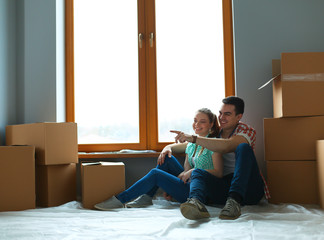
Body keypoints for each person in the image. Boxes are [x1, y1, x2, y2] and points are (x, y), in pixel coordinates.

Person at [94, 108, 223, 211]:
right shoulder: (190, 144)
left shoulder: (214, 144)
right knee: (167, 158)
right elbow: (185, 172)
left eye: (202, 121)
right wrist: (171, 185)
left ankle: (120, 199)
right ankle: (147, 196)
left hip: (201, 192)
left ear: (211, 124)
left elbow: (218, 172)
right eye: (195, 120)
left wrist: (193, 171)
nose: (197, 124)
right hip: (189, 184)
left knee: (156, 174)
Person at [170, 96, 267, 220]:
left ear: (239, 117)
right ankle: (196, 203)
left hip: (248, 187)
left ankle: (234, 201)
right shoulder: (217, 132)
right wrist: (169, 147)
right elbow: (189, 145)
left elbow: (227, 146)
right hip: (225, 185)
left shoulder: (246, 130)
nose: (221, 117)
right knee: (198, 171)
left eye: (227, 114)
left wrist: (193, 138)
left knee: (243, 148)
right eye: (220, 113)